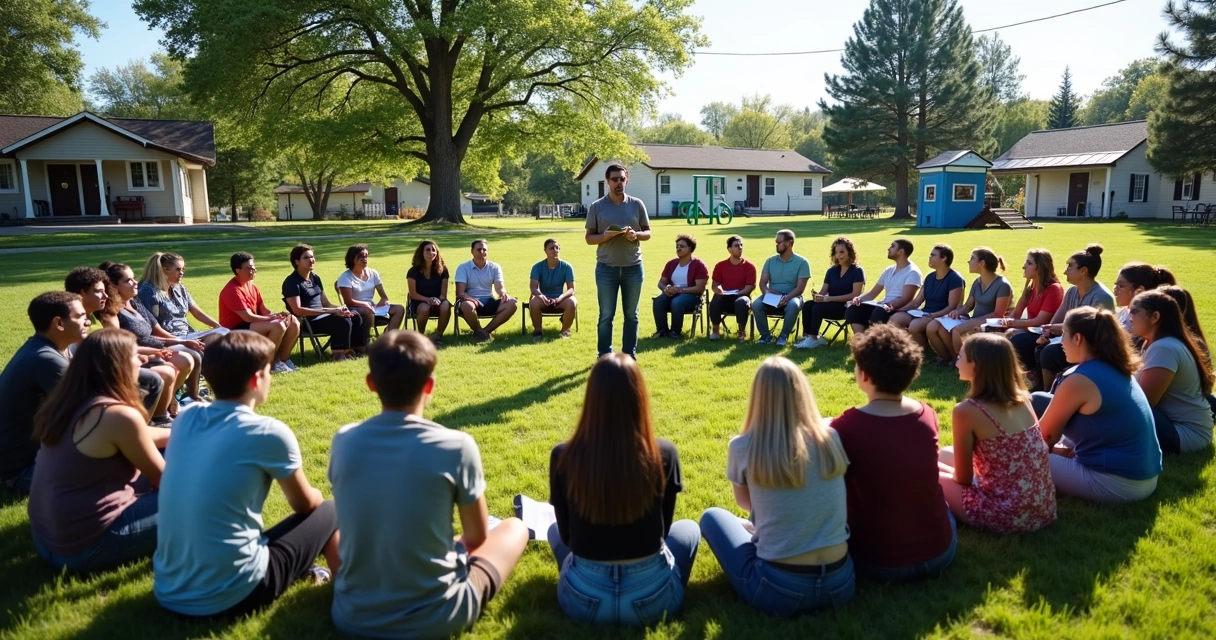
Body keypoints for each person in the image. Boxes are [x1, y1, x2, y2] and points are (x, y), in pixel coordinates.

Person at [329, 330, 528, 637]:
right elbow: (475, 538)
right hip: (439, 614)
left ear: (371, 383)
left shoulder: (344, 440)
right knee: (514, 528)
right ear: (430, 386)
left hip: (352, 614)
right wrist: (458, 548)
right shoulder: (456, 445)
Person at [154, 331, 340, 617]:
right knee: (331, 510)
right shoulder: (267, 432)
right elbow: (306, 505)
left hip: (168, 589)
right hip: (234, 593)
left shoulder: (186, 419)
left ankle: (309, 571)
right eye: (268, 372)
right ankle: (353, 592)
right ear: (256, 380)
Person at [547, 353, 700, 626]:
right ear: (639, 397)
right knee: (689, 529)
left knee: (551, 531)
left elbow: (567, 536)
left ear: (591, 398)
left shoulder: (564, 456)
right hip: (652, 598)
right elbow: (662, 533)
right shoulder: (663, 453)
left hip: (584, 600)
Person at [700, 357, 854, 616]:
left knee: (712, 517)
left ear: (757, 396)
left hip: (779, 588)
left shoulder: (743, 445)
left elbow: (746, 504)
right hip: (841, 583)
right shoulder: (831, 438)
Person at [28, 329, 168, 572]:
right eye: (135, 355)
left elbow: (146, 438)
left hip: (47, 541)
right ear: (118, 365)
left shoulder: (69, 402)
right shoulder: (119, 416)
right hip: (87, 548)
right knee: (205, 493)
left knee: (169, 453)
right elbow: (165, 480)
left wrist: (186, 430)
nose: (142, 360)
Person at [830, 324, 956, 582]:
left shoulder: (846, 427)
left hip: (876, 560)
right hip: (940, 552)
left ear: (864, 375)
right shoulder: (927, 414)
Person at [1031, 307, 1162, 503]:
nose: (1060, 342)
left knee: (1015, 457)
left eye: (1063, 335)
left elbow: (1045, 436)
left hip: (1117, 483)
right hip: (1143, 477)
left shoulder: (1080, 380)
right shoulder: (1116, 366)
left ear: (1078, 339)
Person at [937, 334, 1056, 533]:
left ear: (976, 365)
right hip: (1042, 509)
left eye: (960, 357)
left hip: (1005, 515)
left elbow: (964, 479)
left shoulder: (967, 411)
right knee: (945, 454)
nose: (957, 363)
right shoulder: (1024, 398)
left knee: (929, 471)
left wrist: (936, 467)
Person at [0, 292, 91, 495]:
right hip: (21, 472)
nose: (88, 321)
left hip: (39, 455)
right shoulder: (46, 359)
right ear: (59, 323)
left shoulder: (43, 347)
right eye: (81, 316)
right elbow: (94, 411)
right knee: (116, 462)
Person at [100, 261, 198, 424]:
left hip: (154, 348)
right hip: (137, 355)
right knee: (174, 366)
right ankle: (160, 417)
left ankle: (169, 402)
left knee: (187, 358)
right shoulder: (112, 312)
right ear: (114, 286)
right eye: (128, 280)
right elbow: (119, 345)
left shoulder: (135, 302)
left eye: (133, 278)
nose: (135, 282)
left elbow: (155, 329)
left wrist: (179, 341)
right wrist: (152, 353)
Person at [66, 267, 166, 414]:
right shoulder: (75, 321)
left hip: (104, 369)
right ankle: (139, 425)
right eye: (99, 291)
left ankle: (146, 422)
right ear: (82, 293)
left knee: (157, 370)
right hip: (95, 376)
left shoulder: (91, 317)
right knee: (153, 379)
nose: (106, 296)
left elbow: (106, 350)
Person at [1129, 289, 1214, 454]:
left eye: (1134, 311)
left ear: (1155, 317)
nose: (1129, 315)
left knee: (1118, 409)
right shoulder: (1154, 343)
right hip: (1170, 423)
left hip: (1184, 433)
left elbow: (1144, 403)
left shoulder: (1164, 348)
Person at [1027, 245, 1116, 391]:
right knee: (1036, 345)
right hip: (1072, 341)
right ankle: (1041, 388)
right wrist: (1047, 332)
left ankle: (1047, 392)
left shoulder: (1101, 297)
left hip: (1092, 348)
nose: (1065, 271)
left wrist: (1056, 328)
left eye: (1069, 266)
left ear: (1083, 271)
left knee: (1049, 353)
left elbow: (1091, 332)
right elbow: (1056, 321)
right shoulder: (1072, 292)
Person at [138, 252, 223, 404]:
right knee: (200, 349)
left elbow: (196, 311)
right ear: (164, 270)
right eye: (178, 269)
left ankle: (209, 383)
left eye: (183, 269)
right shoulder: (148, 291)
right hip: (169, 336)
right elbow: (153, 325)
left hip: (187, 334)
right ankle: (193, 389)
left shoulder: (179, 288)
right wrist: (179, 340)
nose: (182, 273)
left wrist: (216, 325)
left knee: (221, 336)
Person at [585, 163, 651, 359]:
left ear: (627, 179)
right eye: (614, 179)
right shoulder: (597, 207)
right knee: (606, 315)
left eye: (622, 179)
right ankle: (604, 355)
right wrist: (605, 236)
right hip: (606, 269)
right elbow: (589, 238)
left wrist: (635, 235)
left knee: (632, 315)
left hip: (633, 268)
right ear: (607, 181)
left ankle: (629, 355)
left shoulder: (636, 204)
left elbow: (647, 233)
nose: (619, 183)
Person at [926, 247, 1012, 364]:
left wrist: (972, 321)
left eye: (972, 258)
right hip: (976, 319)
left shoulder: (1002, 285)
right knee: (941, 327)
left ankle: (964, 362)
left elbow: (998, 314)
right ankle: (953, 358)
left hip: (992, 322)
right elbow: (968, 306)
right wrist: (957, 312)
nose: (969, 261)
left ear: (982, 263)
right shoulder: (977, 282)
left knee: (957, 330)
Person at [218, 252, 300, 372]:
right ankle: (268, 364)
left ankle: (283, 360)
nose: (253, 270)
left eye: (254, 267)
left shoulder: (252, 286)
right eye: (249, 268)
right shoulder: (232, 290)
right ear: (238, 270)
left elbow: (262, 309)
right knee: (278, 325)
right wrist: (272, 319)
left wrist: (276, 315)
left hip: (250, 324)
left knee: (292, 321)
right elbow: (248, 317)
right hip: (233, 330)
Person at [282, 243, 367, 360]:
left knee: (354, 315)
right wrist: (332, 311)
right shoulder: (291, 282)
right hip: (308, 321)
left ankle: (357, 351)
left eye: (312, 257)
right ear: (297, 261)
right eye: (306, 258)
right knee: (343, 321)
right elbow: (298, 310)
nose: (311, 260)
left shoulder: (315, 278)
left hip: (323, 316)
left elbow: (325, 303)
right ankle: (338, 355)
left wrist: (340, 309)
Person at [889, 244, 964, 352]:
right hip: (925, 313)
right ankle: (906, 349)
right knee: (896, 318)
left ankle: (926, 352)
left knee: (915, 325)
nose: (929, 257)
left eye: (933, 255)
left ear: (943, 258)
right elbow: (916, 302)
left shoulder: (955, 278)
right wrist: (902, 308)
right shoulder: (929, 277)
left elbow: (952, 306)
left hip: (942, 314)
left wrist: (933, 315)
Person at [1001, 249, 1065, 377]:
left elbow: (1040, 322)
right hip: (1031, 330)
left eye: (1029, 263)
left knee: (1016, 338)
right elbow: (1016, 313)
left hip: (1046, 334)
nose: (1024, 266)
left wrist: (1013, 324)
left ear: (1039, 267)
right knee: (999, 334)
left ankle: (1026, 374)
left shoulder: (1053, 289)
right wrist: (1004, 323)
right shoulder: (1031, 286)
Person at [795, 236, 864, 350]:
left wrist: (829, 298)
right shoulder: (831, 271)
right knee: (808, 305)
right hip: (830, 303)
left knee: (818, 309)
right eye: (836, 252)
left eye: (842, 252)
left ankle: (814, 338)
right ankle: (807, 336)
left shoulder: (857, 271)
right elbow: (823, 292)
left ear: (850, 253)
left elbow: (855, 295)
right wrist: (818, 297)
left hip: (846, 307)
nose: (839, 255)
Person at [845, 238, 922, 336]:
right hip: (884, 306)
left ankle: (875, 342)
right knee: (853, 308)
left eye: (892, 246)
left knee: (879, 311)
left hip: (899, 308)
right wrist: (858, 299)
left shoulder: (913, 272)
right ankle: (861, 340)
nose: (888, 248)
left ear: (901, 252)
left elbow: (906, 298)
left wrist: (888, 305)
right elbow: (873, 293)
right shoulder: (889, 270)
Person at [751, 229, 811, 346]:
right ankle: (765, 335)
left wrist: (786, 298)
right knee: (756, 304)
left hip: (793, 296)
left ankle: (784, 335)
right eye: (776, 242)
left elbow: (800, 289)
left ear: (789, 243)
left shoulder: (802, 262)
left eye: (779, 242)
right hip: (773, 296)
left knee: (793, 305)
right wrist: (771, 296)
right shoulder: (770, 261)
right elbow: (762, 283)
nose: (776, 245)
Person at [455, 239, 518, 342]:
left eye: (484, 249)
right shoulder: (463, 268)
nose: (482, 252)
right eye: (479, 249)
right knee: (467, 305)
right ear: (472, 251)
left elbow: (499, 287)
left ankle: (484, 332)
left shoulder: (494, 267)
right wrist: (471, 300)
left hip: (489, 301)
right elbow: (460, 293)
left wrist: (504, 294)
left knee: (512, 304)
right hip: (470, 301)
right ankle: (479, 331)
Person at [336, 243, 407, 334]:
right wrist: (365, 304)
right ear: (352, 258)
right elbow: (348, 301)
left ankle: (387, 337)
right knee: (367, 310)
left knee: (399, 309)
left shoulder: (373, 273)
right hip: (355, 309)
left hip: (372, 307)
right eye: (361, 256)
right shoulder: (345, 277)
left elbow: (384, 297)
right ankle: (364, 340)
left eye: (366, 256)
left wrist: (383, 301)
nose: (365, 259)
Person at [651, 234, 708, 340]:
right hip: (673, 293)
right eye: (677, 246)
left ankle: (675, 332)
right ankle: (662, 330)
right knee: (658, 300)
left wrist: (681, 290)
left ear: (690, 248)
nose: (678, 248)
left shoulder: (699, 265)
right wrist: (666, 288)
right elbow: (661, 283)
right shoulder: (671, 264)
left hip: (692, 296)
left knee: (677, 302)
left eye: (682, 246)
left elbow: (699, 288)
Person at [708, 235, 756, 341]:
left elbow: (750, 287)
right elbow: (715, 285)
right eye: (736, 246)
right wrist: (718, 290)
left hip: (741, 297)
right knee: (716, 298)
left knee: (742, 301)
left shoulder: (749, 267)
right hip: (725, 297)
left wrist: (737, 294)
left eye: (741, 245)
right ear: (729, 249)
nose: (740, 248)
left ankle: (742, 332)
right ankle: (715, 330)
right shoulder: (720, 266)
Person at [528, 238, 577, 340]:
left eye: (557, 248)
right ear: (545, 250)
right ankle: (538, 330)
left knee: (572, 302)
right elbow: (533, 287)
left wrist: (560, 298)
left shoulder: (567, 267)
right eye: (551, 248)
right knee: (534, 302)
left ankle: (565, 330)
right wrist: (541, 296)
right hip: (543, 298)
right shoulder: (537, 267)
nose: (555, 250)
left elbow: (571, 289)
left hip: (559, 299)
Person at [406, 240, 452, 345]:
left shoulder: (443, 270)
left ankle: (438, 336)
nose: (431, 253)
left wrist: (437, 300)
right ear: (421, 252)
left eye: (433, 250)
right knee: (424, 308)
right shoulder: (413, 271)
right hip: (419, 302)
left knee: (446, 305)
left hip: (438, 301)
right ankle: (421, 336)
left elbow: (443, 294)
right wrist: (428, 300)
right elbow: (413, 294)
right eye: (427, 250)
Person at [1113, 262, 1176, 330]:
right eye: (1115, 284)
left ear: (1139, 291)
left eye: (1120, 286)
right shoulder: (1123, 312)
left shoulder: (1144, 322)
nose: (1115, 289)